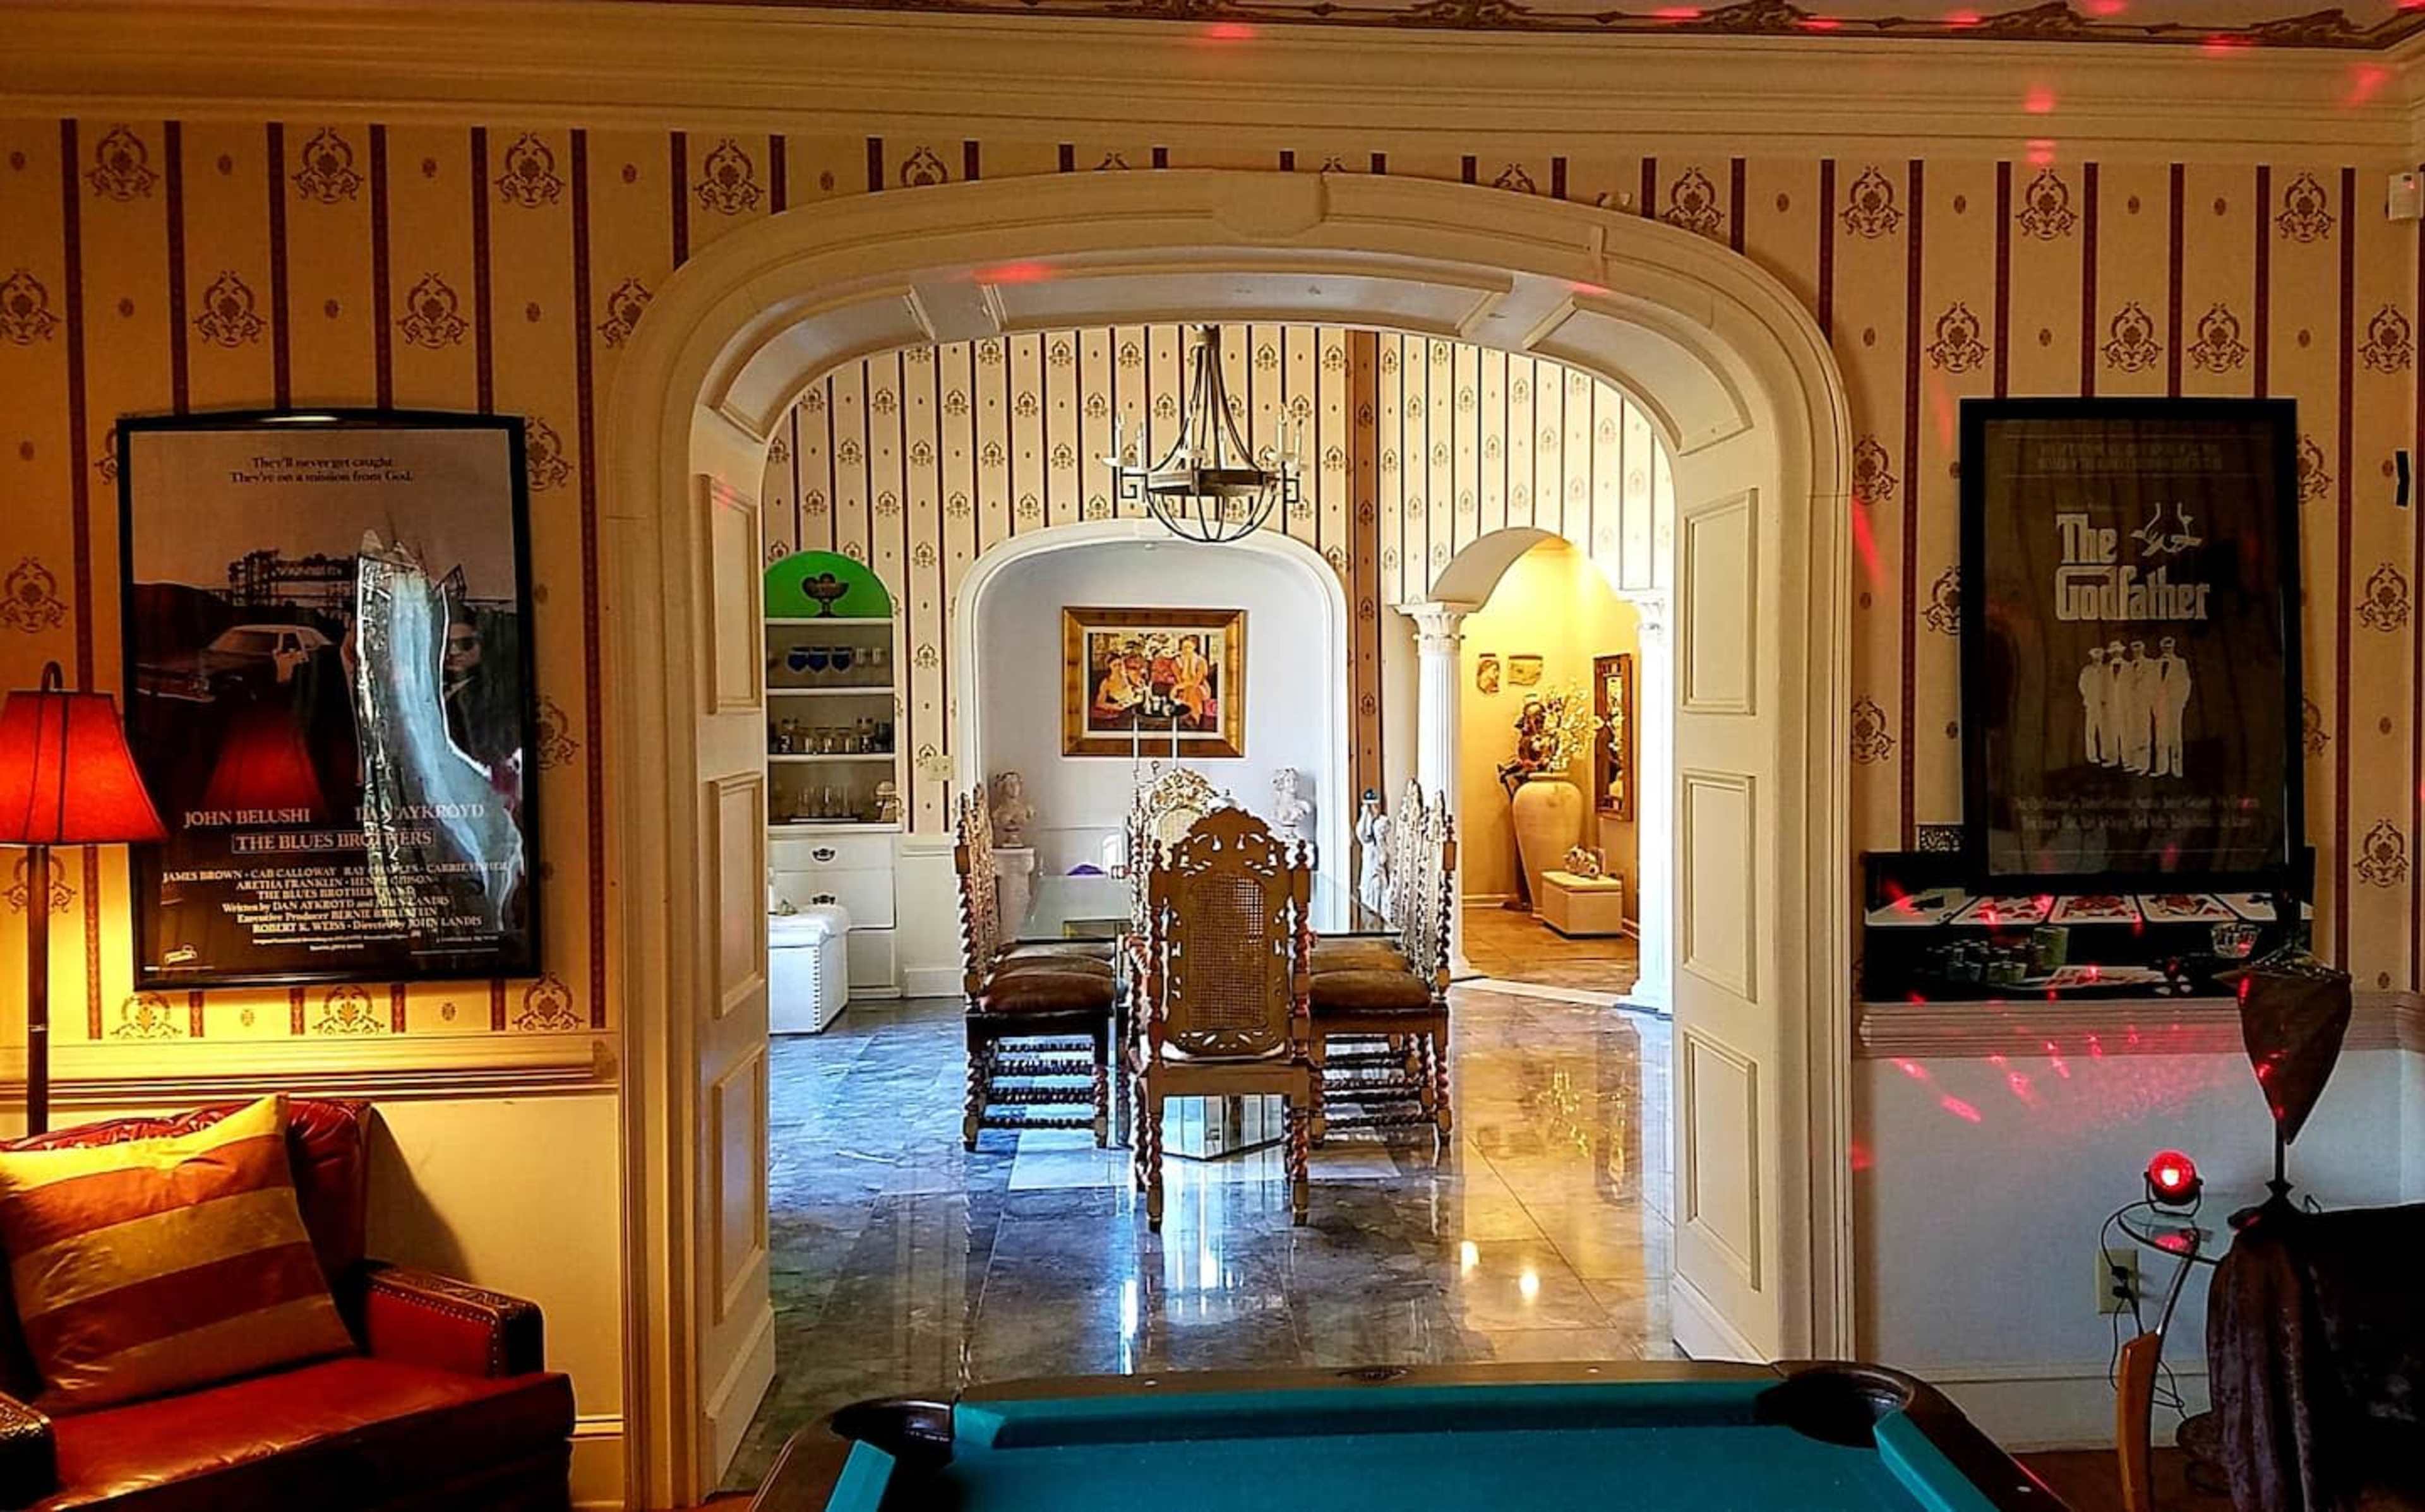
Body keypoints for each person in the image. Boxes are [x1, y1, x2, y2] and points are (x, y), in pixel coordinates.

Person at [2153, 636, 2192, 778]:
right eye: (2164, 646)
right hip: (2160, 705)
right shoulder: (2155, 664)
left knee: (2175, 736)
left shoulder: (2181, 663)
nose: (2167, 649)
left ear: (2174, 647)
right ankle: (2162, 768)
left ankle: (2177, 769)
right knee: (2161, 737)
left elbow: (2186, 683)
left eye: (2169, 646)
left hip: (2175, 704)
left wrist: (2182, 702)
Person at [2119, 640, 2158, 775]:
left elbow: (2153, 683)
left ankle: (2144, 765)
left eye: (2139, 648)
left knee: (2143, 732)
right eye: (2134, 649)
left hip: (2144, 702)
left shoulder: (2151, 664)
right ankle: (2134, 762)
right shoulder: (2128, 667)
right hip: (2130, 704)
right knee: (2132, 733)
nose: (2137, 651)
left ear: (2143, 649)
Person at [2078, 645, 2109, 766]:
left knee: (2104, 730)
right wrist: (2088, 698)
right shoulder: (2087, 670)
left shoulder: (2106, 670)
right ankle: (2092, 756)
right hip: (2092, 704)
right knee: (2090, 731)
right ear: (2092, 658)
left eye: (2100, 657)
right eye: (2095, 657)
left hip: (2103, 704)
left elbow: (2109, 686)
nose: (2097, 659)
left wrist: (2106, 699)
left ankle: (2105, 754)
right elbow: (2082, 685)